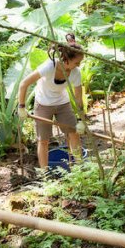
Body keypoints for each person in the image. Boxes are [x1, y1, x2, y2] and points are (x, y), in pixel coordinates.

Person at [18, 35, 85, 169]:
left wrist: (80, 119)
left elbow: (78, 98)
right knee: (43, 140)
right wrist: (21, 107)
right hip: (43, 104)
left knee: (74, 133)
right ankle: (45, 174)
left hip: (62, 103)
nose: (79, 65)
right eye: (77, 62)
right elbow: (24, 84)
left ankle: (80, 168)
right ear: (66, 59)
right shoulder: (49, 67)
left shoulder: (76, 72)